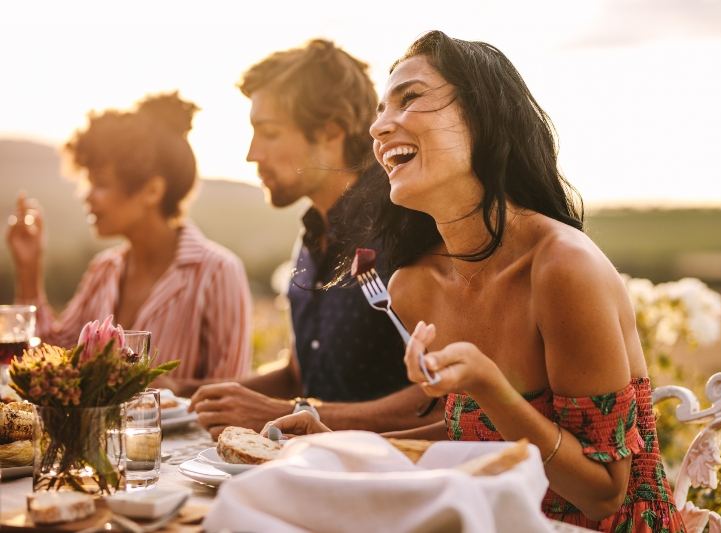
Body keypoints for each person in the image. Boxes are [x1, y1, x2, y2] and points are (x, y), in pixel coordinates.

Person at [269, 31, 686, 532]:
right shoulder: (414, 285)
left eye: (411, 98)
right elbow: (474, 433)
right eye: (380, 110)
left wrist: (487, 384)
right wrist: (333, 437)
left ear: (483, 116)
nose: (379, 126)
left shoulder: (562, 268)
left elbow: (602, 493)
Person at [189, 39, 443, 439]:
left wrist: (292, 411)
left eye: (268, 132)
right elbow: (298, 373)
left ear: (331, 132)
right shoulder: (310, 237)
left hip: (391, 479)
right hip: (312, 471)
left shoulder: (410, 227)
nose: (252, 154)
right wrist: (192, 396)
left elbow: (443, 398)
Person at [5, 93, 252, 388]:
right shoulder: (104, 268)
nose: (86, 196)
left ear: (152, 191)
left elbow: (232, 394)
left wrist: (171, 389)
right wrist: (29, 268)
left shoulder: (218, 272)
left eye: (101, 183)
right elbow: (51, 360)